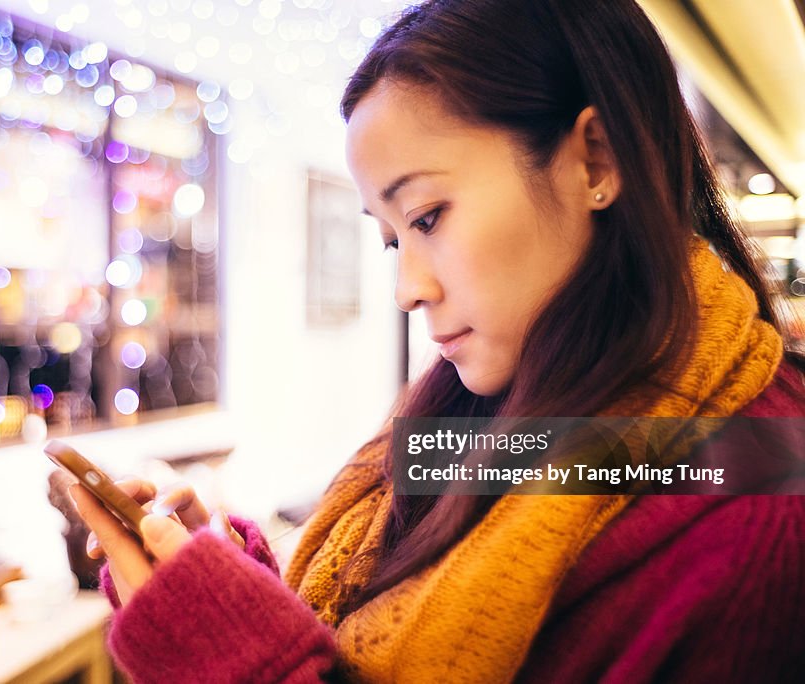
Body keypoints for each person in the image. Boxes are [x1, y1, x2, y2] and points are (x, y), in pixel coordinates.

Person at [69, 0, 805, 681]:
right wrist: (234, 589)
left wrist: (237, 660)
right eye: (393, 240)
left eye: (426, 217)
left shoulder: (759, 506)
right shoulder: (483, 421)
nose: (406, 289)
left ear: (596, 161)